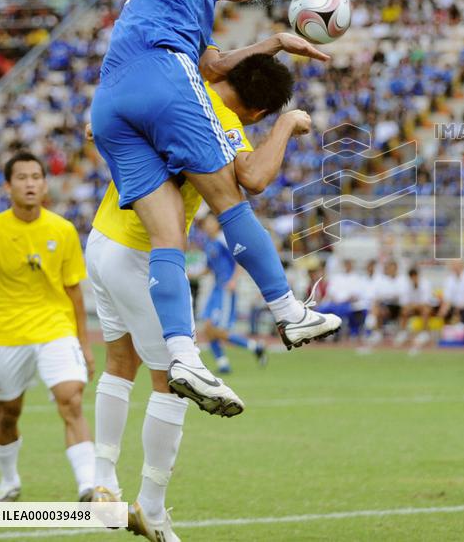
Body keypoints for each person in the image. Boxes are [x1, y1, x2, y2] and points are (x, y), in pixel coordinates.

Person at [89, 0, 341, 416]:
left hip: (111, 101)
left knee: (170, 235)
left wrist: (271, 43)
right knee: (229, 196)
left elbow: (211, 66)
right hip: (162, 76)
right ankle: (288, 311)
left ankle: (183, 356)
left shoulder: (194, 4)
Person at [86, 54, 306, 538]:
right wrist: (288, 123)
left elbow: (94, 129)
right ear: (256, 114)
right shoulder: (220, 121)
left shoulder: (178, 90)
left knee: (120, 363)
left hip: (101, 239)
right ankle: (152, 506)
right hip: (141, 255)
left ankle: (101, 482)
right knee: (176, 382)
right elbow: (254, 178)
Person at [0, 152, 95, 502]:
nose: (30, 183)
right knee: (8, 414)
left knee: (71, 399)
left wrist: (84, 345)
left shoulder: (63, 230)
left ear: (44, 183)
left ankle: (89, 486)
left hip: (56, 328)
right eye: (21, 178)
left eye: (36, 177)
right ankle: (9, 480)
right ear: (8, 186)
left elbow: (75, 294)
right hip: (8, 334)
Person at [198, 214, 266, 374]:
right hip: (216, 288)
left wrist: (234, 280)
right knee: (208, 328)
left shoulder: (223, 239)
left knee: (218, 330)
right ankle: (223, 365)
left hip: (226, 288)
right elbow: (208, 268)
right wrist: (189, 274)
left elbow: (238, 260)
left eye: (210, 222)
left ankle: (254, 347)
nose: (207, 225)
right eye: (205, 223)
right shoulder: (209, 243)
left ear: (216, 223)